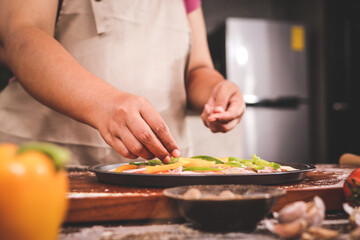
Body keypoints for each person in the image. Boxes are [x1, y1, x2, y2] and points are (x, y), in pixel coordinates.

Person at [0, 0, 245, 166]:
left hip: (158, 174)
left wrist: (217, 91)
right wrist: (104, 104)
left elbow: (197, 68)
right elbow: (21, 34)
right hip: (47, 167)